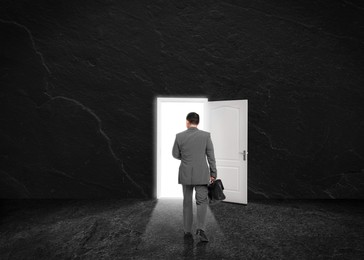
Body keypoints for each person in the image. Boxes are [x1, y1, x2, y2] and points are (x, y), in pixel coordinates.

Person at [172, 112, 217, 242]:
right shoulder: (206, 136)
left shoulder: (179, 136)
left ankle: (187, 231)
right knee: (202, 201)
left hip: (186, 173)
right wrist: (213, 173)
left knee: (187, 202)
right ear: (198, 122)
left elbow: (175, 154)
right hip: (202, 173)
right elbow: (211, 157)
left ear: (187, 121)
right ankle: (201, 229)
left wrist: (185, 157)